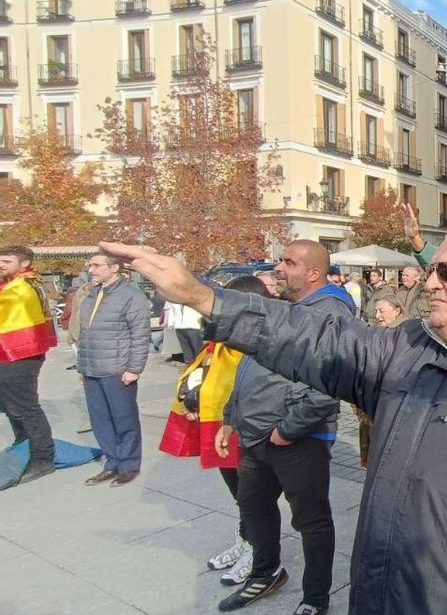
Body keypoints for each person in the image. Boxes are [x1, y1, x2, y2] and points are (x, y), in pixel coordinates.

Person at [101, 230, 447, 615]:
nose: (429, 281)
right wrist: (206, 299)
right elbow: (312, 340)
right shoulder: (403, 346)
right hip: (379, 591)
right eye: (432, 269)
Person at [214, 240, 349, 615]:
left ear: (313, 273)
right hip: (256, 432)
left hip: (295, 438)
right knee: (254, 508)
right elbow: (252, 364)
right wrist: (231, 417)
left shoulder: (330, 314)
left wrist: (289, 429)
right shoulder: (290, 308)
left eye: (288, 262)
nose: (278, 267)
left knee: (311, 521)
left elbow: (329, 383)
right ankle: (265, 573)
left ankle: (315, 600)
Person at [162, 276, 265, 586]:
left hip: (243, 428)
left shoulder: (255, 342)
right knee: (238, 494)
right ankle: (245, 540)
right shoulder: (220, 339)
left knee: (252, 496)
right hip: (217, 425)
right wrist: (190, 395)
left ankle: (259, 551)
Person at [76, 254, 151, 486]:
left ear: (114, 268)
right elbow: (84, 334)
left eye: (97, 265)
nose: (91, 270)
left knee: (124, 419)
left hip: (117, 370)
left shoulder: (130, 296)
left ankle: (128, 464)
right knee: (101, 420)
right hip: (92, 368)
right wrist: (82, 366)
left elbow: (140, 335)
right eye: (90, 265)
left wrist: (134, 368)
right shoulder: (91, 294)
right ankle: (112, 462)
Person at [0, 245, 59, 483]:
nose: (1, 264)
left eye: (6, 261)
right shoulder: (21, 282)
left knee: (25, 408)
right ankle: (23, 444)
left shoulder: (21, 287)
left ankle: (43, 458)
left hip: (20, 355)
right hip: (12, 353)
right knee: (12, 405)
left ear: (24, 263)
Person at [356, 293, 406, 468]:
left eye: (382, 311)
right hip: (371, 413)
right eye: (376, 311)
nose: (377, 316)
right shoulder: (379, 334)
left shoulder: (407, 336)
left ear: (397, 311)